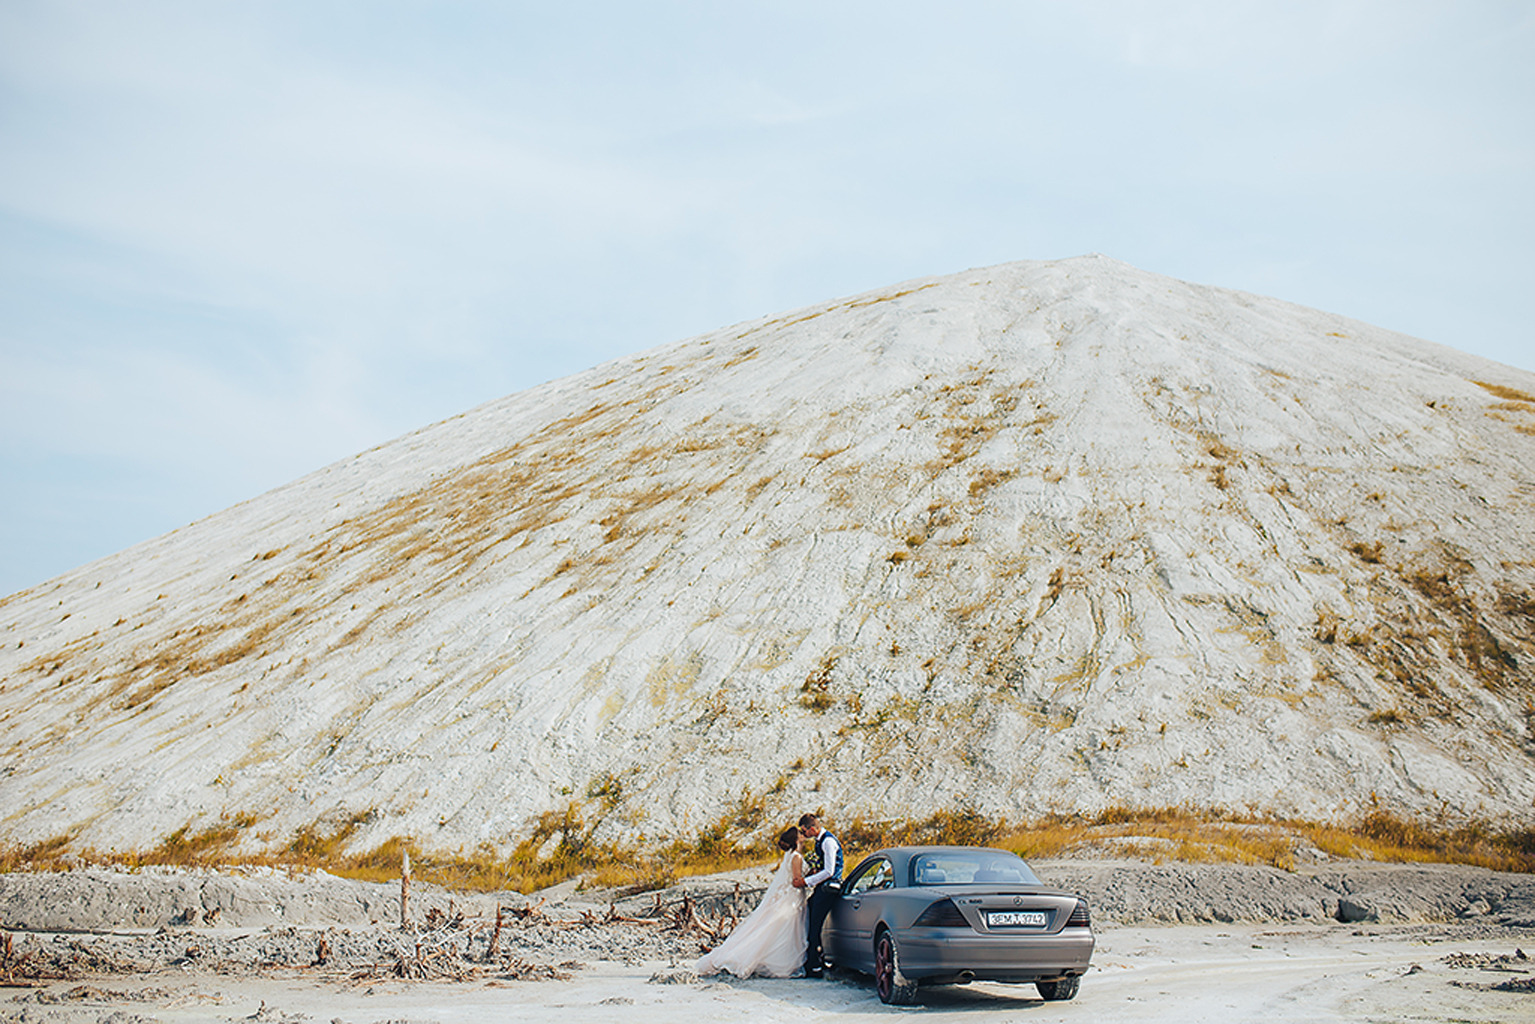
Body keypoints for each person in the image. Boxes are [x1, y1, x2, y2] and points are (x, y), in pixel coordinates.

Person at [694, 826, 809, 978]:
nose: (803, 835)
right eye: (800, 833)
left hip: (787, 896)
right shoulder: (797, 857)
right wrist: (812, 877)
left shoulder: (790, 855)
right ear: (796, 839)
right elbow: (795, 881)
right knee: (785, 930)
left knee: (776, 929)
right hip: (792, 898)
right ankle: (780, 964)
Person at [792, 812, 842, 977]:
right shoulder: (820, 841)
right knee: (810, 915)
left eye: (804, 831)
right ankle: (816, 960)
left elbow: (829, 871)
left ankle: (814, 965)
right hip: (822, 886)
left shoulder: (828, 842)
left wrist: (806, 882)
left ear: (812, 829)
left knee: (815, 924)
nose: (804, 834)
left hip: (829, 887)